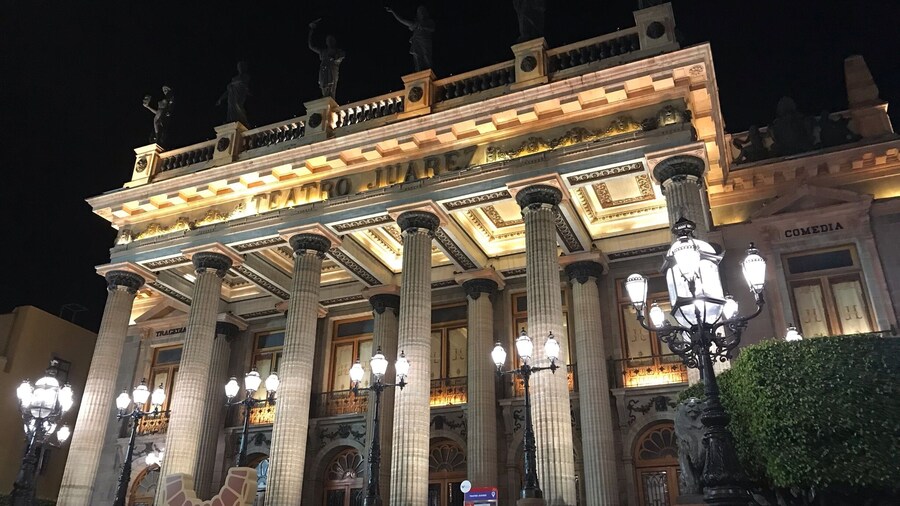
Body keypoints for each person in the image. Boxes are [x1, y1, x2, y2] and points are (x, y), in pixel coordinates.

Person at [385, 5, 435, 72]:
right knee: (416, 55)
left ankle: (428, 71)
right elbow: (403, 20)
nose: (421, 13)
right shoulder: (415, 24)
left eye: (422, 11)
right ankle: (419, 71)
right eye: (419, 12)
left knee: (426, 55)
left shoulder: (429, 21)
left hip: (425, 41)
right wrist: (393, 12)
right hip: (416, 41)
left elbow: (432, 29)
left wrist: (423, 27)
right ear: (418, 14)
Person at [308, 19, 345, 99]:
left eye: (331, 40)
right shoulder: (323, 51)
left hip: (332, 69)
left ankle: (330, 99)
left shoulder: (337, 51)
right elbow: (311, 46)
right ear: (326, 42)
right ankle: (324, 98)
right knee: (323, 84)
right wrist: (311, 30)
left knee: (331, 84)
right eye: (328, 40)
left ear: (334, 41)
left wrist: (335, 58)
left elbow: (342, 55)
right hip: (323, 69)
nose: (329, 41)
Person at [216, 61, 251, 126]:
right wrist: (220, 99)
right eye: (239, 66)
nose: (240, 68)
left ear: (244, 68)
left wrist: (231, 84)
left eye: (242, 66)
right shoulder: (234, 78)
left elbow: (243, 82)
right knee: (231, 107)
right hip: (232, 95)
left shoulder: (246, 76)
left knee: (237, 105)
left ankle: (243, 120)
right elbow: (228, 91)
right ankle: (231, 120)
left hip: (240, 93)